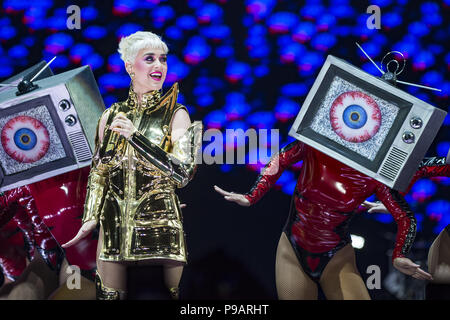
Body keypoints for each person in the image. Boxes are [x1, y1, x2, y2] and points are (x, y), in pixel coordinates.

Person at [63, 31, 202, 300]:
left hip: (159, 224)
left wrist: (135, 138)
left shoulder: (177, 113)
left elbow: (183, 173)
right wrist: (90, 217)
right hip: (113, 225)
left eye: (162, 59)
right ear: (129, 66)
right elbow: (99, 171)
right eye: (149, 59)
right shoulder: (111, 114)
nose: (158, 66)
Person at [215, 140, 432, 300]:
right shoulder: (316, 145)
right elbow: (281, 158)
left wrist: (399, 255)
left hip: (336, 258)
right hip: (293, 250)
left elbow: (406, 216)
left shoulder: (375, 176)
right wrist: (252, 195)